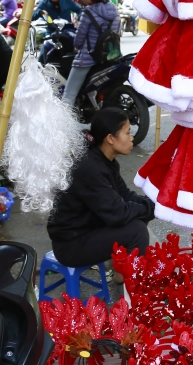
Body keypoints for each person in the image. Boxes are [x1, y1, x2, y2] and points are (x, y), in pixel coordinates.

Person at [47, 108, 153, 267]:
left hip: (88, 229)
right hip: (70, 245)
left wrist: (155, 204)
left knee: (138, 215)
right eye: (127, 133)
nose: (132, 138)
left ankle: (122, 272)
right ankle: (133, 285)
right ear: (110, 138)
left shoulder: (105, 161)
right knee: (136, 230)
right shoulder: (90, 168)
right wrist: (150, 208)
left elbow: (124, 195)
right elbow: (117, 213)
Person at [63, 0, 120, 105]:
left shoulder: (88, 12)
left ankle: (63, 123)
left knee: (69, 93)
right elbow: (117, 32)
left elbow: (80, 37)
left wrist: (76, 47)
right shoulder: (114, 9)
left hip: (88, 57)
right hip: (110, 56)